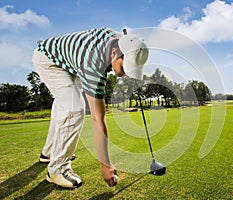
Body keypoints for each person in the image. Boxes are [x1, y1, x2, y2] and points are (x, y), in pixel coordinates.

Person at [32, 27, 149, 188]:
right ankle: (57, 170)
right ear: (114, 53)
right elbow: (97, 118)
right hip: (48, 59)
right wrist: (105, 164)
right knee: (74, 109)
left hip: (70, 62)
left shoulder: (119, 42)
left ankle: (49, 152)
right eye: (125, 67)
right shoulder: (93, 63)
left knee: (65, 102)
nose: (125, 74)